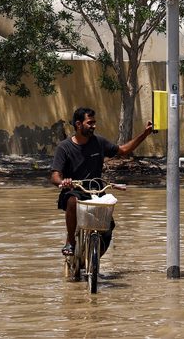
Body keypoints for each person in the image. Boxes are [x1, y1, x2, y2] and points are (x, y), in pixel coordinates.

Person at [50, 107, 153, 256]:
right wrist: (63, 182)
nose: (94, 126)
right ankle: (70, 241)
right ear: (78, 125)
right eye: (90, 122)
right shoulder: (64, 147)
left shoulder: (99, 142)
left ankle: (94, 261)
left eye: (94, 122)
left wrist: (145, 134)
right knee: (72, 200)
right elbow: (54, 175)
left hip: (96, 191)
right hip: (75, 190)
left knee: (108, 227)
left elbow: (123, 151)